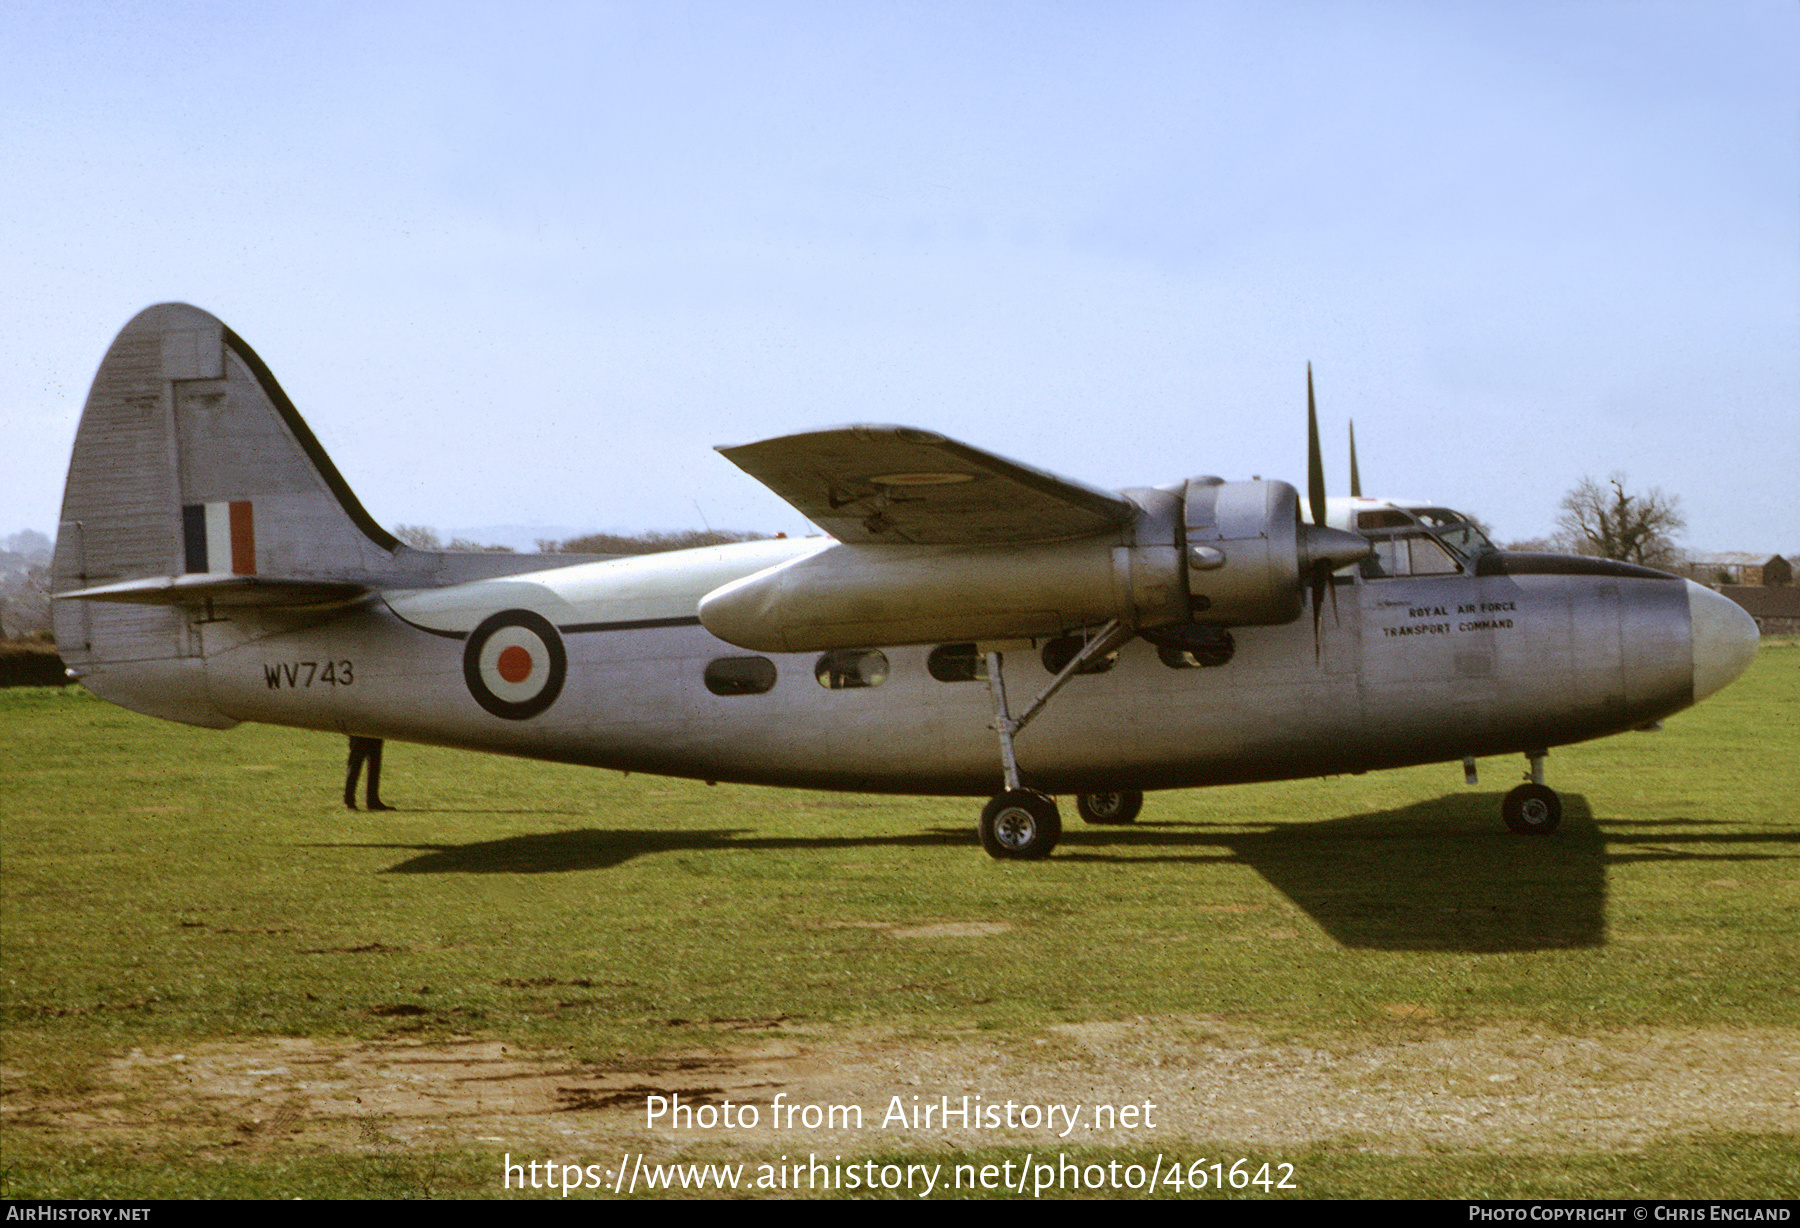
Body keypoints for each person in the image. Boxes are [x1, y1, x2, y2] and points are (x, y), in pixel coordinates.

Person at [344, 736, 393, 811]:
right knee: (355, 764)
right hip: (359, 731)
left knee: (374, 764)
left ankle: (373, 801)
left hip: (375, 732)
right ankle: (349, 802)